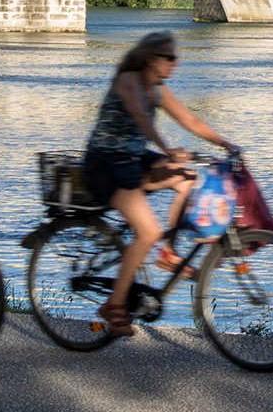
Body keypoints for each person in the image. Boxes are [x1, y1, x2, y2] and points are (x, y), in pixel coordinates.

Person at [83, 32, 239, 336]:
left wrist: (227, 144)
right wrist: (167, 150)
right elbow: (141, 118)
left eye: (175, 58)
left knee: (187, 179)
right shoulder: (129, 80)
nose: (175, 63)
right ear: (151, 58)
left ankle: (167, 253)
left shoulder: (158, 89)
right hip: (105, 164)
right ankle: (113, 306)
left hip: (133, 158)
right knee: (147, 231)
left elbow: (190, 121)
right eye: (169, 57)